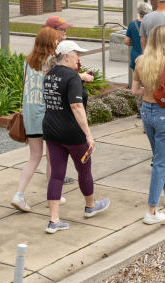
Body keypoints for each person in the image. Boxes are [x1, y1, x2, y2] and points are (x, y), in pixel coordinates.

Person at [41, 40, 110, 234]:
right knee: (84, 169)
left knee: (56, 174)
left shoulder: (50, 75)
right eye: (77, 54)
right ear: (67, 56)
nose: (79, 57)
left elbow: (64, 83)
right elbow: (76, 106)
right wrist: (89, 135)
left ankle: (53, 220)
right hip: (73, 133)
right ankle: (90, 206)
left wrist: (81, 78)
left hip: (51, 130)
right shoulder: (71, 78)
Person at [11, 27, 67, 213]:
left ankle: (19, 194)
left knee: (34, 156)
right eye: (55, 40)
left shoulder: (27, 61)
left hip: (30, 113)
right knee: (52, 157)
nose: (58, 43)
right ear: (50, 43)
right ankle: (53, 195)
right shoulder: (53, 61)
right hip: (48, 114)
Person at [131, 26, 165, 224]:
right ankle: (151, 211)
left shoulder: (140, 61)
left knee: (159, 156)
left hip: (146, 111)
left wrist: (150, 89)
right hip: (164, 113)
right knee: (161, 162)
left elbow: (135, 90)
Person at [123, 2, 151, 86]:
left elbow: (126, 41)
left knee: (137, 83)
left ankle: (137, 97)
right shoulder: (150, 24)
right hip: (148, 57)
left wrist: (135, 42)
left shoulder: (132, 24)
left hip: (136, 57)